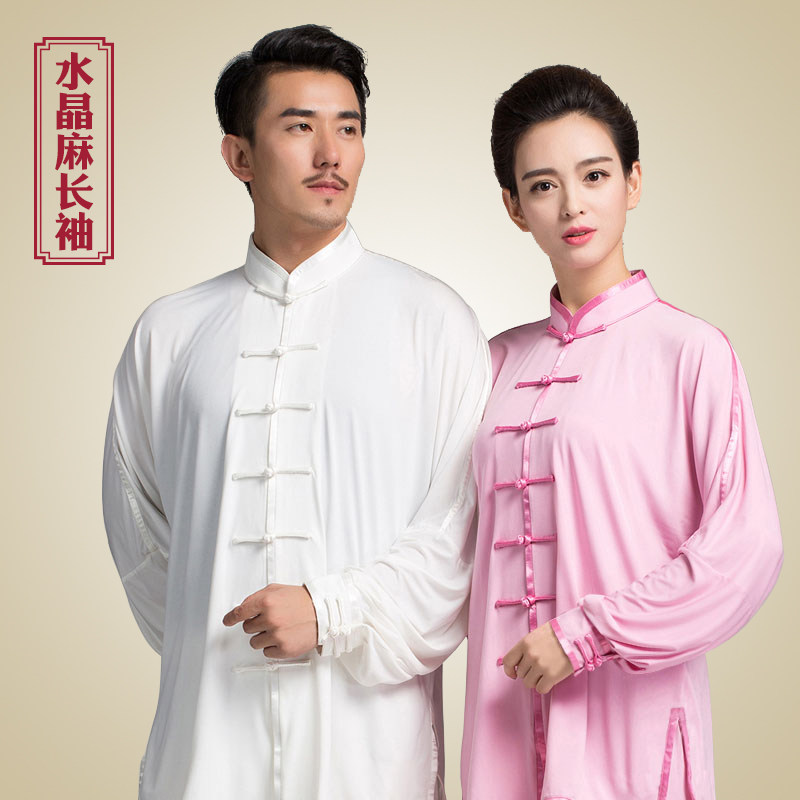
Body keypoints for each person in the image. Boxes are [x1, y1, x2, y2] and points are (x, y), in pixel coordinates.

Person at [103, 25, 489, 800]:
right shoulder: (168, 334)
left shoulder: (433, 320)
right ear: (239, 156)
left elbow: (462, 534)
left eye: (349, 128)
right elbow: (140, 537)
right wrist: (216, 624)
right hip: (206, 747)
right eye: (299, 127)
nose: (330, 154)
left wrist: (332, 612)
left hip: (369, 752)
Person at [461, 65, 782, 800]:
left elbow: (747, 546)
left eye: (595, 175)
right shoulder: (494, 362)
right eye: (543, 185)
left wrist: (587, 634)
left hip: (631, 720)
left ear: (633, 182)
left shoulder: (690, 351)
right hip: (501, 718)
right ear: (514, 207)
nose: (572, 204)